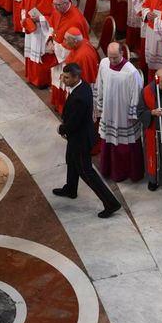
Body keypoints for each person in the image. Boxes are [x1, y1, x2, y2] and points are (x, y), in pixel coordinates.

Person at [52, 63, 122, 217]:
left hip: (80, 140)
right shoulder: (82, 87)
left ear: (76, 77)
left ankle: (111, 203)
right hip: (80, 135)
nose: (63, 79)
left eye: (67, 77)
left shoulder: (80, 98)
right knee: (70, 160)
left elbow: (73, 123)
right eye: (63, 76)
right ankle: (71, 188)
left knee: (86, 172)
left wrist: (61, 129)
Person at [96, 43, 145, 182]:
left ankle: (127, 172)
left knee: (125, 145)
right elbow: (100, 83)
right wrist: (99, 103)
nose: (112, 61)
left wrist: (132, 115)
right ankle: (107, 168)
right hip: (108, 111)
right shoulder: (104, 64)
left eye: (115, 58)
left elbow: (137, 95)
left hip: (123, 115)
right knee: (108, 140)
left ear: (122, 53)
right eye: (110, 57)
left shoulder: (131, 72)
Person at [49, 0, 90, 111]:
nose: (55, 8)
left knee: (65, 81)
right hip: (58, 51)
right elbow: (54, 27)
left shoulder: (76, 19)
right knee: (57, 78)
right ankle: (57, 103)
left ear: (67, 3)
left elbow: (76, 43)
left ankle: (64, 107)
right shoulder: (58, 11)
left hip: (66, 55)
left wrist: (55, 49)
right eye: (54, 4)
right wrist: (51, 40)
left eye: (58, 5)